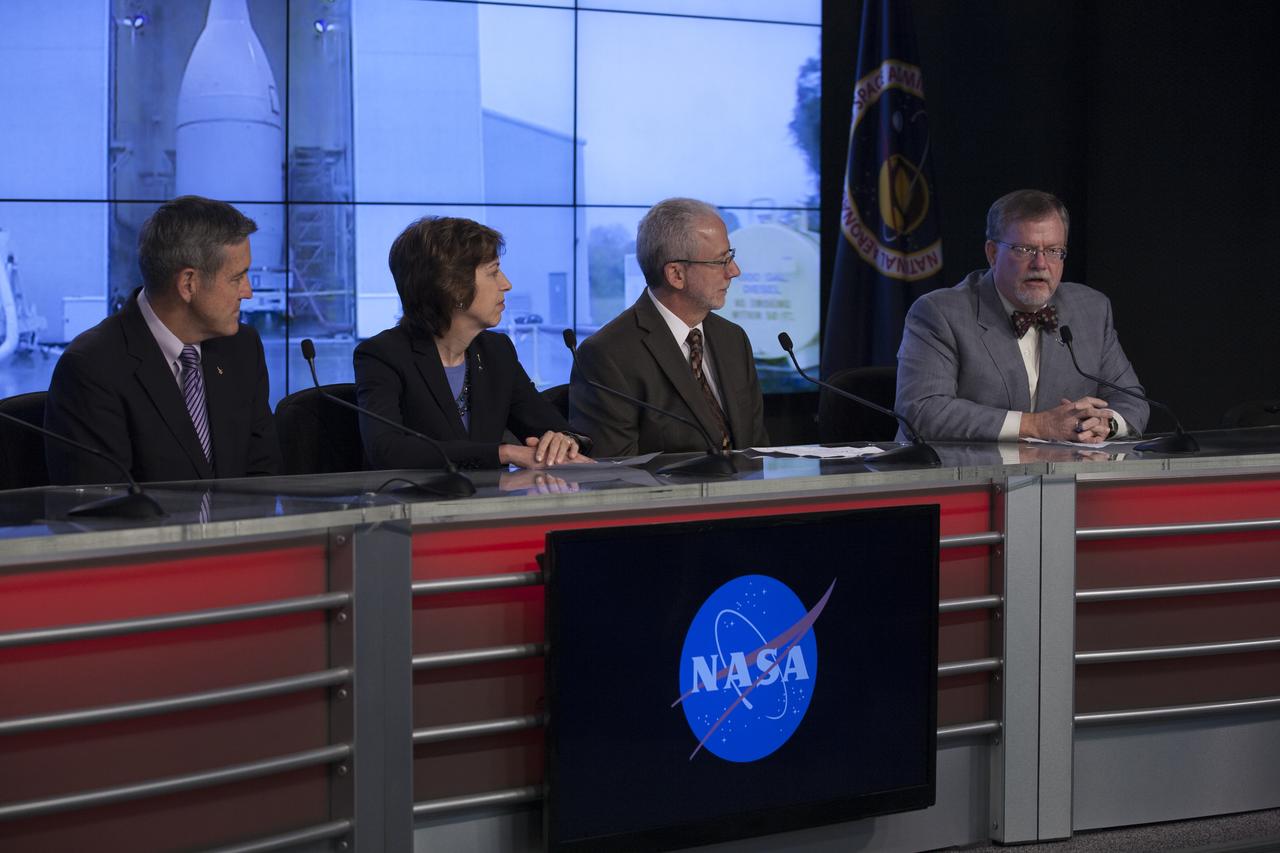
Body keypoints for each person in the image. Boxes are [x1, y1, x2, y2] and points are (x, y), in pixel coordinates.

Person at [45, 196, 280, 485]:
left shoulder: (242, 348)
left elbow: (263, 474)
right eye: (237, 278)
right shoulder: (92, 368)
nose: (248, 292)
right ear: (188, 284)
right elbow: (102, 508)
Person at [894, 189, 1148, 443]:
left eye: (1053, 251)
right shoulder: (940, 313)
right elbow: (923, 410)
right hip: (959, 475)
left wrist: (1106, 424)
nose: (1040, 264)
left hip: (1060, 477)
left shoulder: (1091, 309)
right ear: (992, 254)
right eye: (1025, 250)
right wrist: (1035, 425)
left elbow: (1133, 401)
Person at [354, 216, 590, 470]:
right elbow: (387, 450)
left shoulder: (497, 351)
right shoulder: (382, 355)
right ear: (453, 287)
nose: (506, 284)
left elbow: (552, 427)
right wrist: (504, 453)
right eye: (493, 272)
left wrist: (563, 440)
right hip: (413, 506)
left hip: (490, 507)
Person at [568, 198, 769, 456]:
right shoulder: (607, 355)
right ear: (676, 274)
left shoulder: (733, 339)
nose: (734, 271)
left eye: (731, 256)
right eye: (721, 261)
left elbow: (758, 447)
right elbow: (615, 474)